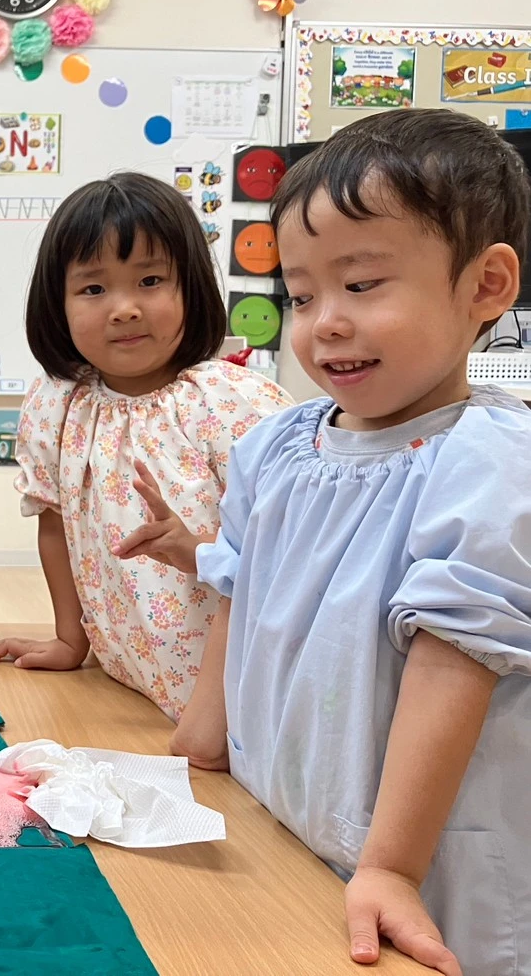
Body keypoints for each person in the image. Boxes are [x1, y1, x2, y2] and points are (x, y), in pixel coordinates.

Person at [184, 109, 530, 975]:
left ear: (485, 286)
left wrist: (389, 865)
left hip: (419, 866)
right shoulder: (274, 444)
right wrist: (195, 745)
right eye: (300, 296)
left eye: (363, 284)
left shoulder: (488, 460)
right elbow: (238, 601)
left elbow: (454, 660)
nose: (323, 323)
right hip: (284, 833)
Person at [0, 173, 291, 745]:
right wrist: (71, 641)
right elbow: (55, 523)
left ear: (191, 288)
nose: (124, 309)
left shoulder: (234, 404)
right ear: (59, 304)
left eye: (150, 280)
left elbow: (288, 560)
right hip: (130, 685)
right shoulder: (58, 402)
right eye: (94, 289)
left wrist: (195, 550)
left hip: (236, 704)